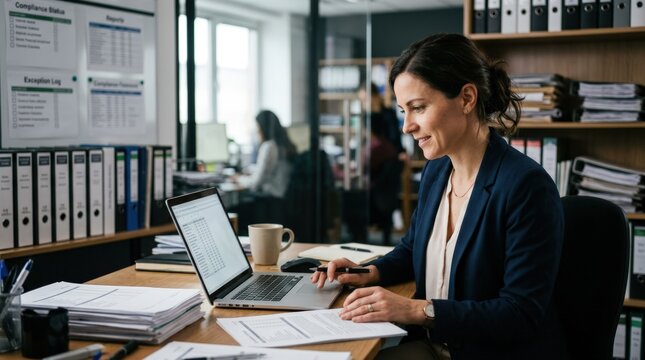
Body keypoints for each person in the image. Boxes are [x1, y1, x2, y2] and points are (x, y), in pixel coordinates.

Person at [312, 33, 565, 359]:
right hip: (432, 346)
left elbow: (520, 313)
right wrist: (370, 272)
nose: (407, 126)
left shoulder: (525, 187)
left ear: (466, 98)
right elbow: (411, 249)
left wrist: (418, 311)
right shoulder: (436, 171)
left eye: (418, 108)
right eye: (403, 110)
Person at [240, 110, 297, 224]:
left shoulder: (269, 146)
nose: (257, 131)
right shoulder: (285, 145)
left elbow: (255, 183)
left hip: (271, 201)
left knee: (239, 206)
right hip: (282, 200)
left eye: (258, 127)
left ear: (263, 128)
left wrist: (239, 180)